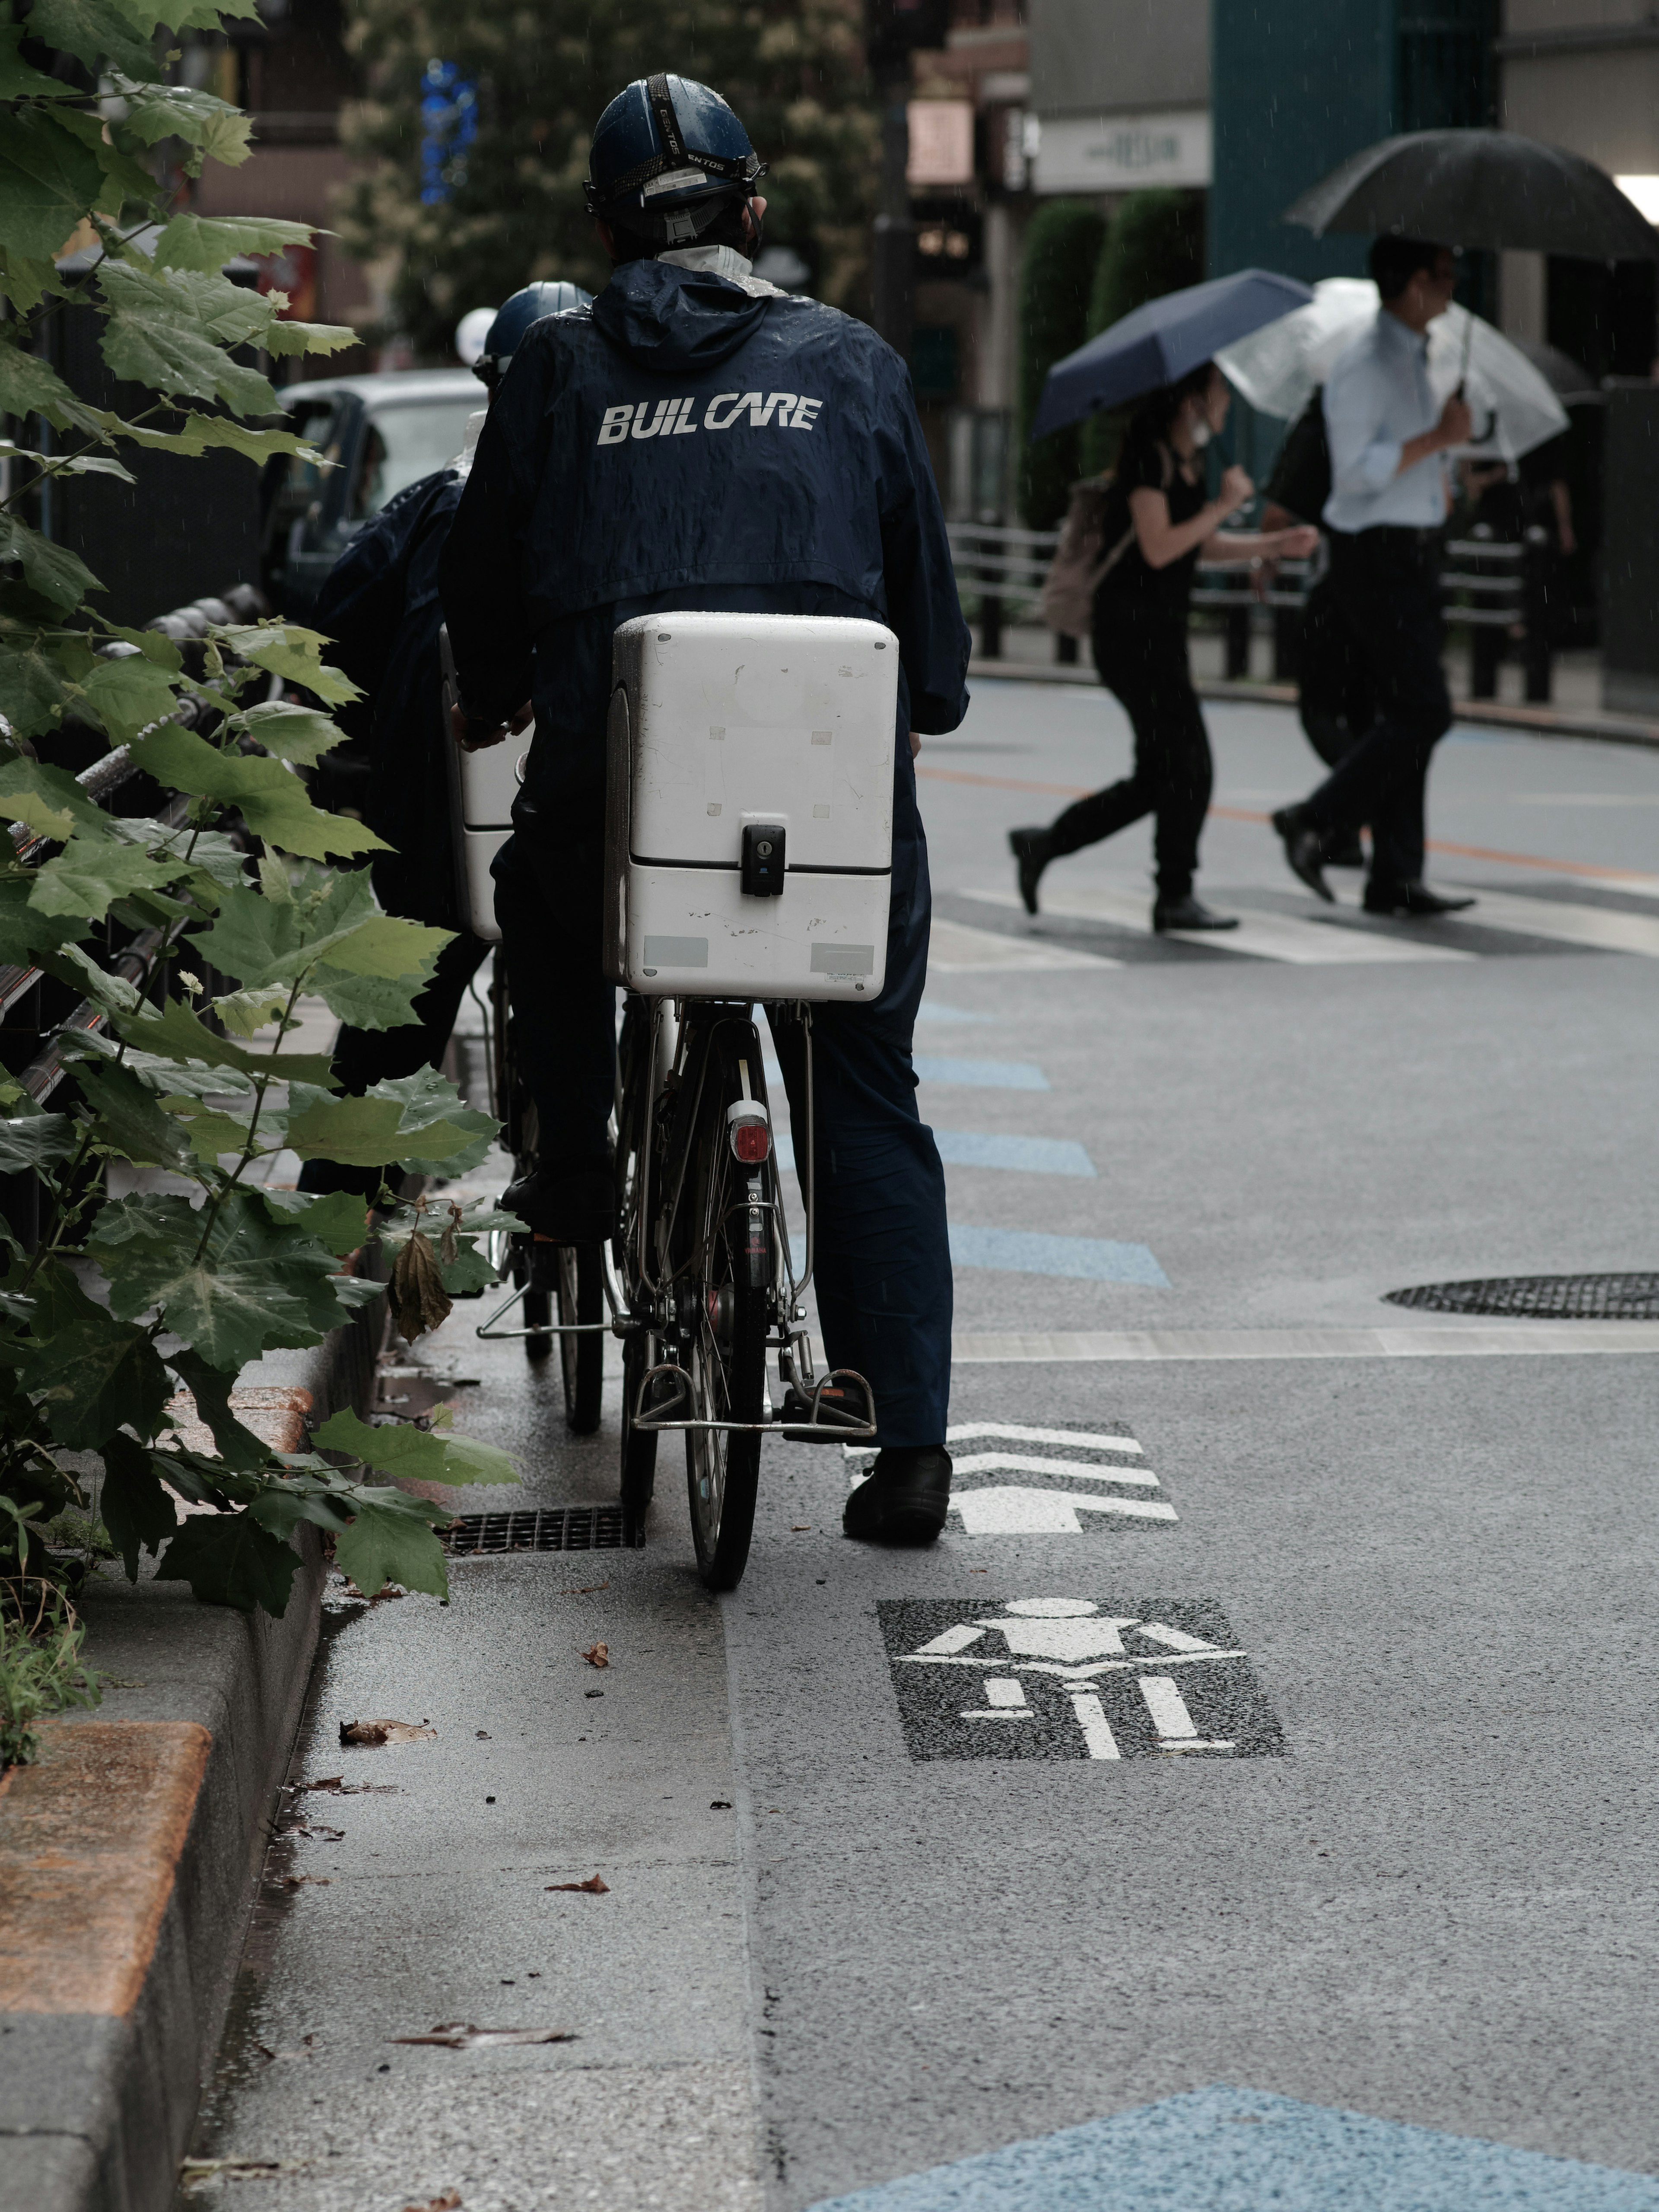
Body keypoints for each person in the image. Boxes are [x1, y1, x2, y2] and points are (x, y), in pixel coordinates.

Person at [439, 74, 971, 1546]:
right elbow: (930, 629)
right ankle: (909, 1443)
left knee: (542, 900)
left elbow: (481, 574)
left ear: (605, 229)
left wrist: (494, 689)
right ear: (754, 210)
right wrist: (922, 702)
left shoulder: (554, 367)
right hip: (829, 797)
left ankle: (574, 1166)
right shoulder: (854, 364)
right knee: (863, 1085)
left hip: (620, 777)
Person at [295, 282, 590, 1203]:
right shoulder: (620, 513)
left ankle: (337, 1204)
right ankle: (590, 1158)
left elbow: (339, 629)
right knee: (587, 973)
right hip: (585, 813)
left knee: (406, 992)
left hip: (442, 812)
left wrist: (360, 747)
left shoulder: (432, 507)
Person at [1008, 363, 1318, 931]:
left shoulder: (1191, 464)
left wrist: (1272, 544)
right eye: (1221, 392)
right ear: (1191, 402)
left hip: (1160, 637)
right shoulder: (1148, 458)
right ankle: (1174, 893)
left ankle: (1047, 844)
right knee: (1190, 766)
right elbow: (1158, 547)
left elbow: (1194, 548)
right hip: (1129, 637)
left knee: (1159, 777)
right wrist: (1225, 504)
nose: (1227, 404)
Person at [1270, 238, 1477, 917]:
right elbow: (1356, 470)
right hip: (1371, 556)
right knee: (1424, 710)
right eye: (1444, 276)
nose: (1452, 289)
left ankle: (1396, 873)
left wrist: (1443, 467)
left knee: (1403, 715)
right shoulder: (1364, 362)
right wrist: (1439, 440)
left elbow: (1406, 462)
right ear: (1413, 282)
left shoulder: (1418, 358)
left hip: (1410, 553)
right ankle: (1316, 818)